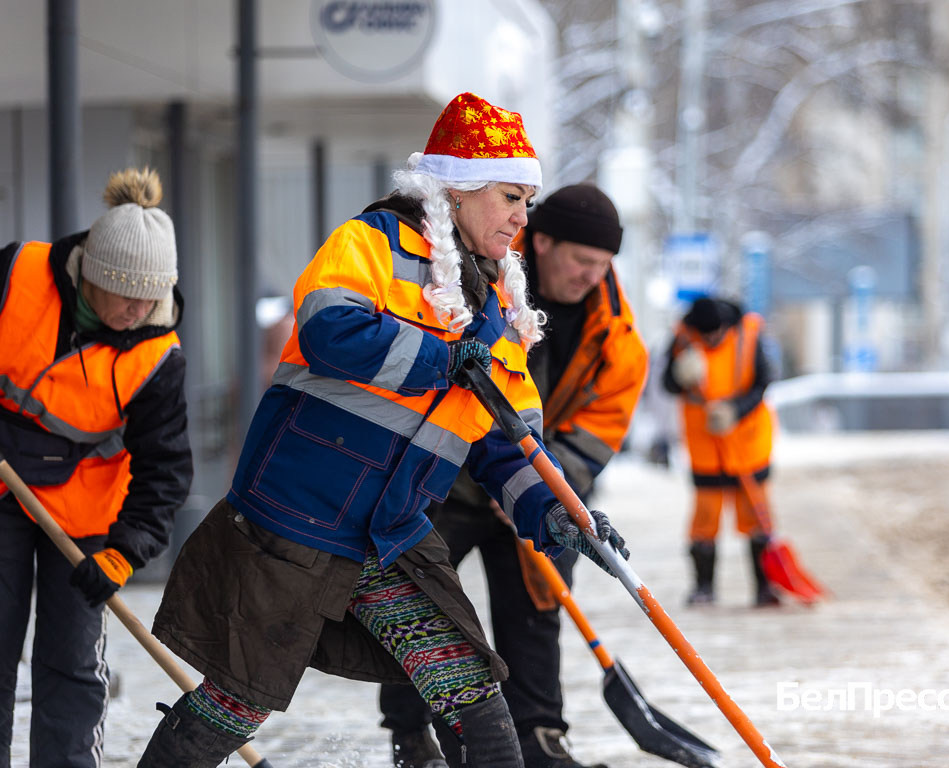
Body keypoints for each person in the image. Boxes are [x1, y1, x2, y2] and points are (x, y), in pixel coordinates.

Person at [135, 93, 629, 768]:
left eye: (527, 201)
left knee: (474, 698)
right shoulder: (370, 244)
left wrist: (561, 513)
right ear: (457, 189)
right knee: (236, 700)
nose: (521, 216)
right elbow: (326, 329)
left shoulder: (500, 311)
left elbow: (509, 441)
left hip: (390, 535)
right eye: (511, 196)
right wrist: (441, 359)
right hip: (294, 523)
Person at [379, 184, 648, 768]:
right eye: (581, 261)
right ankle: (411, 734)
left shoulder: (615, 335)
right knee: (421, 608)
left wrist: (544, 486)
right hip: (446, 479)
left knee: (537, 610)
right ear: (542, 242)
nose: (591, 276)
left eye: (603, 266)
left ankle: (541, 739)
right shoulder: (483, 274)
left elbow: (598, 430)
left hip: (536, 494)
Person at [0, 167, 193, 767]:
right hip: (4, 489)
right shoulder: (15, 277)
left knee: (74, 665)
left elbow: (166, 467)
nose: (141, 310)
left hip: (85, 518)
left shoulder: (158, 355)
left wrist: (125, 551)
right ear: (92, 276)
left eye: (152, 295)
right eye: (128, 295)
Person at [661, 295, 779, 607]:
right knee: (705, 519)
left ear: (727, 326)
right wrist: (679, 375)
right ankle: (703, 587)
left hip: (747, 441)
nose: (711, 339)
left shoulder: (750, 334)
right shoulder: (682, 338)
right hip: (705, 446)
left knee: (756, 516)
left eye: (717, 334)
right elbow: (667, 385)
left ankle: (765, 587)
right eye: (706, 335)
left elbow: (763, 381)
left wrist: (734, 410)